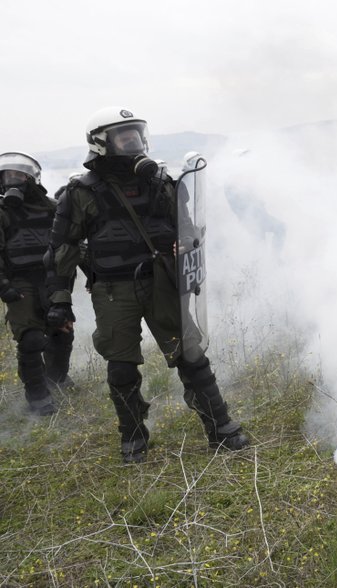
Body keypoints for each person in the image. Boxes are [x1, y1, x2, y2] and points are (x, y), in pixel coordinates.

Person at [44, 106, 249, 463]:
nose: (134, 142)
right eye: (124, 137)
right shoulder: (80, 192)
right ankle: (134, 438)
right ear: (101, 144)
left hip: (163, 282)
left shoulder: (162, 183)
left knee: (192, 356)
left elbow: (186, 228)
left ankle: (221, 428)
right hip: (113, 289)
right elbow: (63, 248)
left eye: (137, 134)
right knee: (122, 366)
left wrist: (184, 246)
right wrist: (60, 300)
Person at [0, 152, 74, 415]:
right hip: (20, 284)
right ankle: (38, 396)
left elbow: (71, 245)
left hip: (51, 280)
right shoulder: (2, 214)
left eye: (19, 176)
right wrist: (5, 288)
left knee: (61, 332)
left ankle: (57, 379)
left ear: (32, 178)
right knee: (30, 340)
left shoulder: (53, 209)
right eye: (7, 176)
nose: (13, 181)